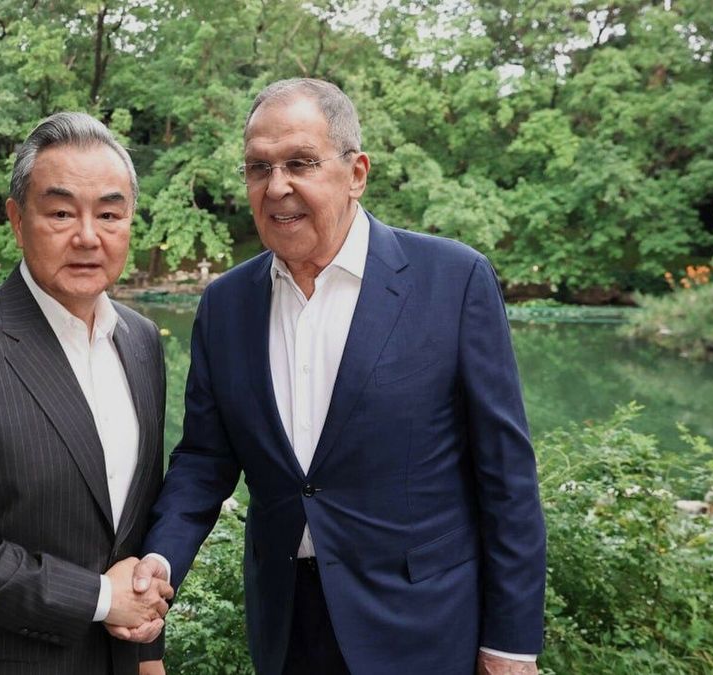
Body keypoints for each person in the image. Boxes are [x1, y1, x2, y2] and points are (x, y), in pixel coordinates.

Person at [118, 79, 547, 674]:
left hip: (423, 628)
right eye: (258, 167)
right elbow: (204, 461)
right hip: (287, 625)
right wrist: (159, 563)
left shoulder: (453, 281)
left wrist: (510, 644)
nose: (277, 187)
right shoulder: (225, 305)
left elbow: (507, 478)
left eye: (300, 162)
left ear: (357, 172)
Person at [0, 111, 171, 675]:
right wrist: (99, 598)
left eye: (110, 214)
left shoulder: (140, 341)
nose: (88, 236)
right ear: (18, 221)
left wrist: (146, 652)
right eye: (62, 212)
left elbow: (132, 521)